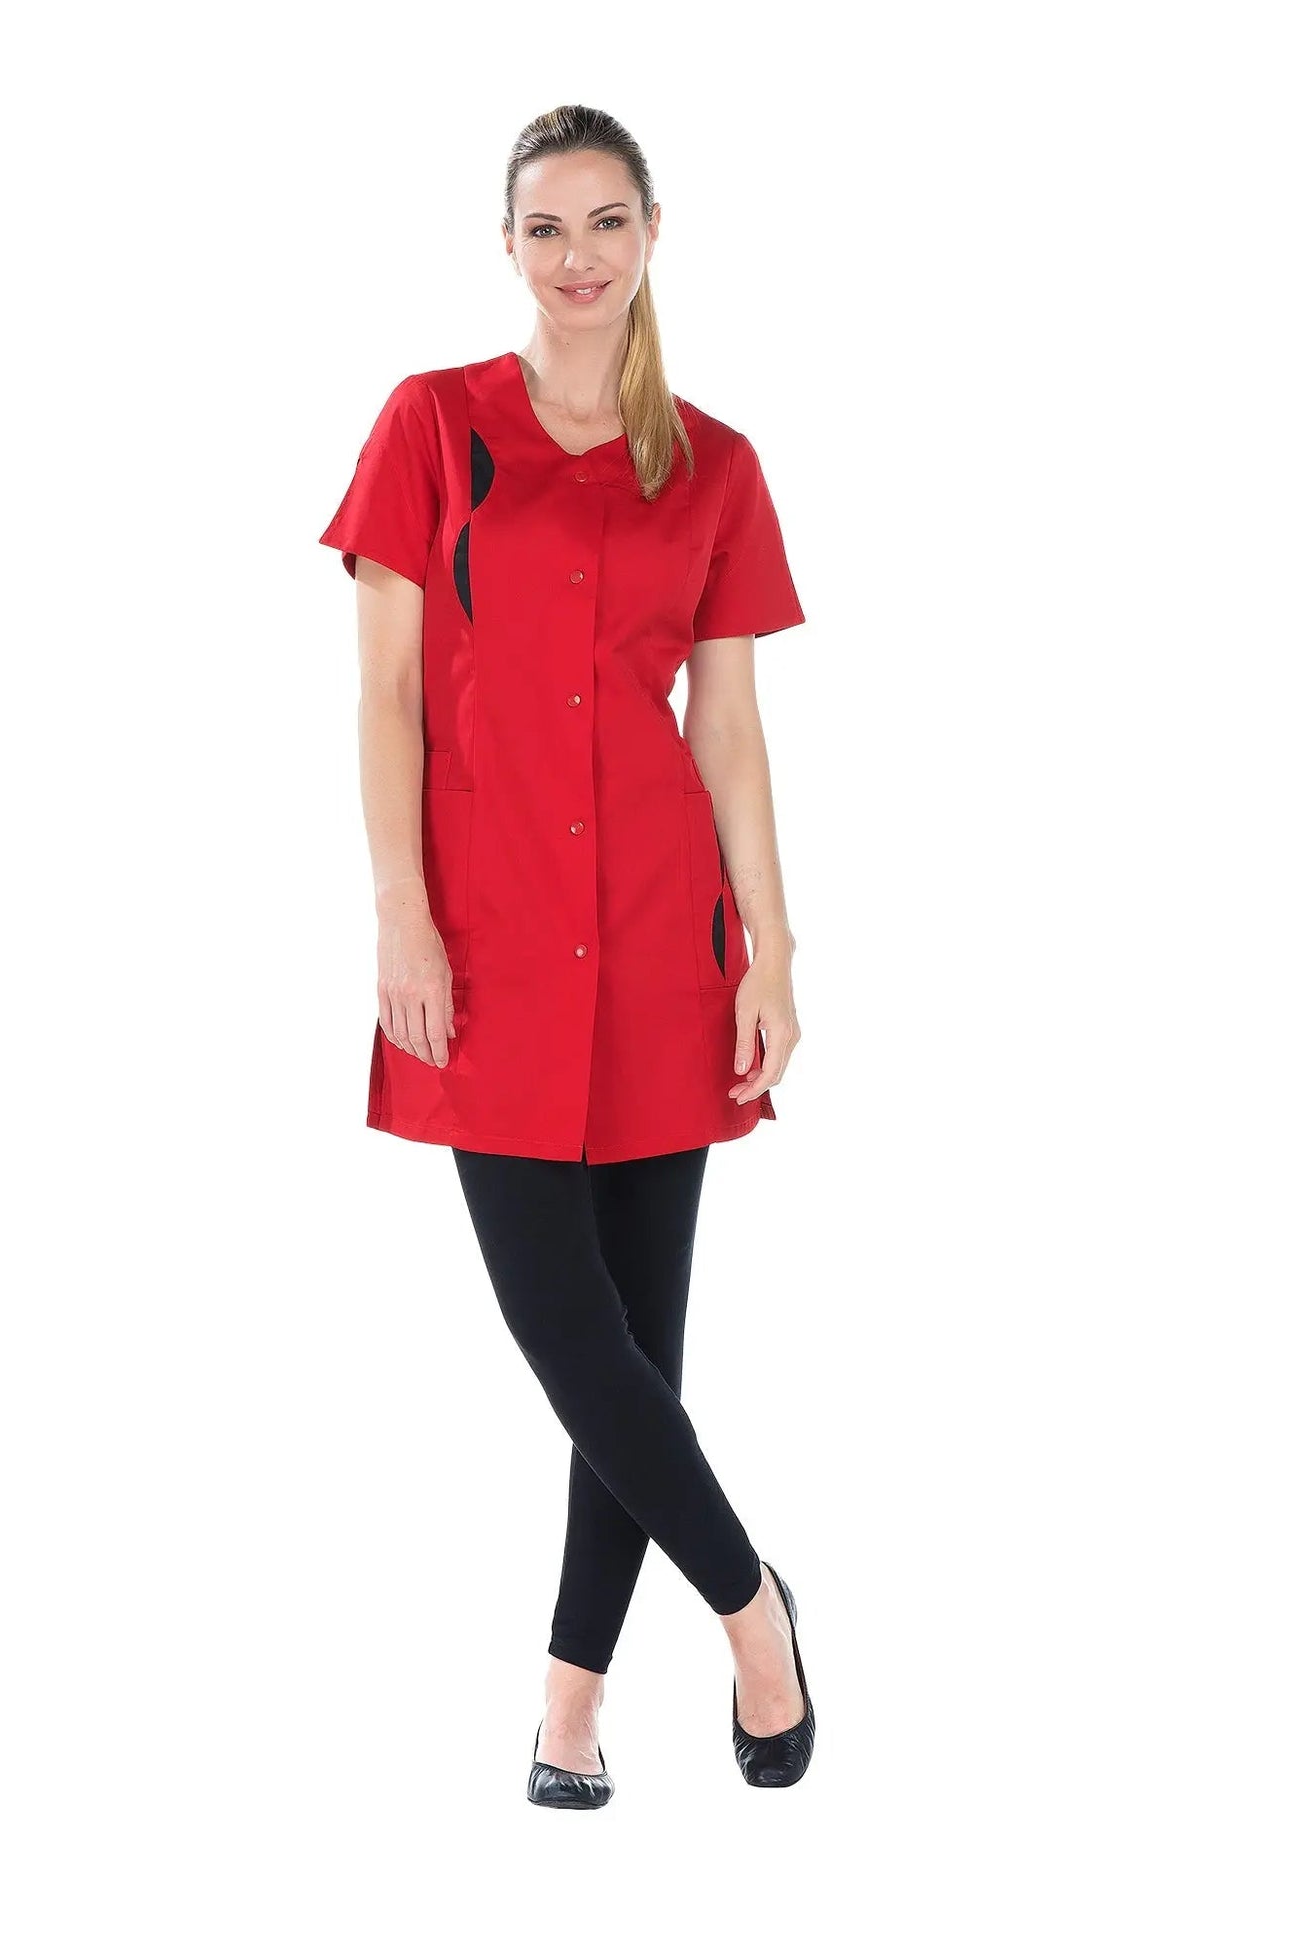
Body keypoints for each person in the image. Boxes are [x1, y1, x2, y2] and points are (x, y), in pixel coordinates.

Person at [318, 104, 815, 1804]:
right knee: (566, 1327)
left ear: (653, 233)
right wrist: (399, 908)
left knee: (633, 1349)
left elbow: (727, 728)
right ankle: (753, 1607)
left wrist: (769, 947)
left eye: (608, 222)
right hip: (492, 936)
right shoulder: (431, 425)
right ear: (507, 245)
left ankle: (569, 1707)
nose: (579, 255)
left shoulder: (716, 465)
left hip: (667, 940)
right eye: (547, 226)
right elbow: (386, 695)